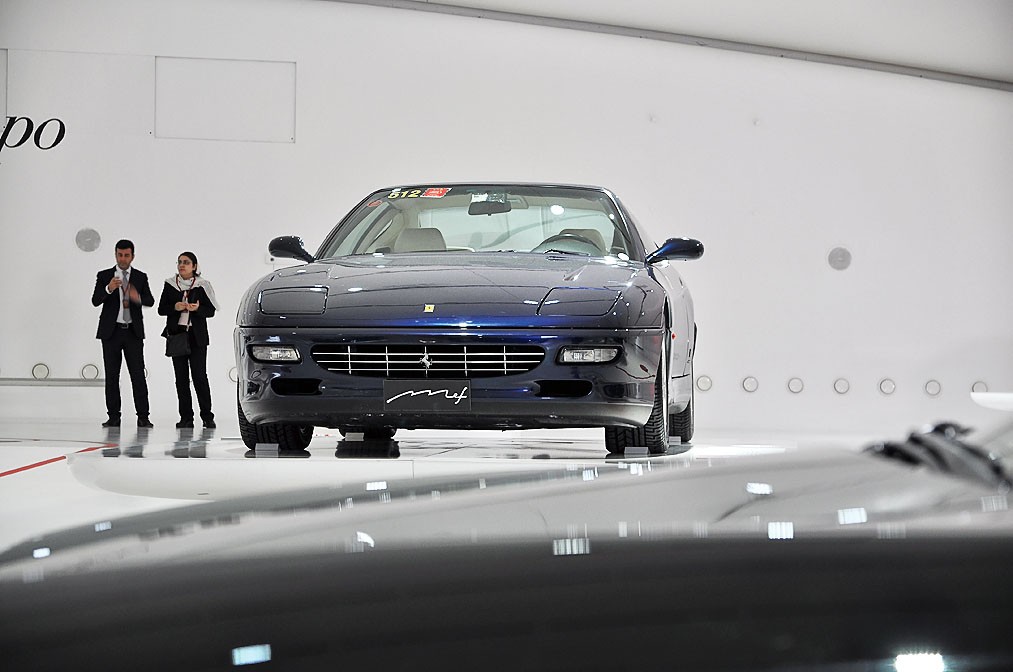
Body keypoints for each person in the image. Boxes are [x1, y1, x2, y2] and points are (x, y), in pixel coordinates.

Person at [91, 239, 155, 428]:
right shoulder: (104, 276)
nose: (123, 258)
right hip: (111, 333)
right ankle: (113, 416)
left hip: (133, 332)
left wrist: (135, 295)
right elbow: (95, 300)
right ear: (115, 254)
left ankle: (143, 416)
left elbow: (150, 301)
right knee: (112, 375)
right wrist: (109, 288)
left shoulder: (140, 277)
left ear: (132, 256)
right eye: (120, 255)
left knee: (138, 375)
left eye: (126, 255)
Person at [157, 251, 219, 428]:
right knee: (181, 379)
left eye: (186, 262)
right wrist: (175, 307)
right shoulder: (170, 285)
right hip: (177, 335)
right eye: (179, 262)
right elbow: (161, 309)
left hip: (197, 336)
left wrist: (197, 309)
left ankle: (207, 416)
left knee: (200, 377)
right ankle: (186, 418)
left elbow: (210, 311)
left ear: (194, 266)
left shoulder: (202, 285)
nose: (182, 265)